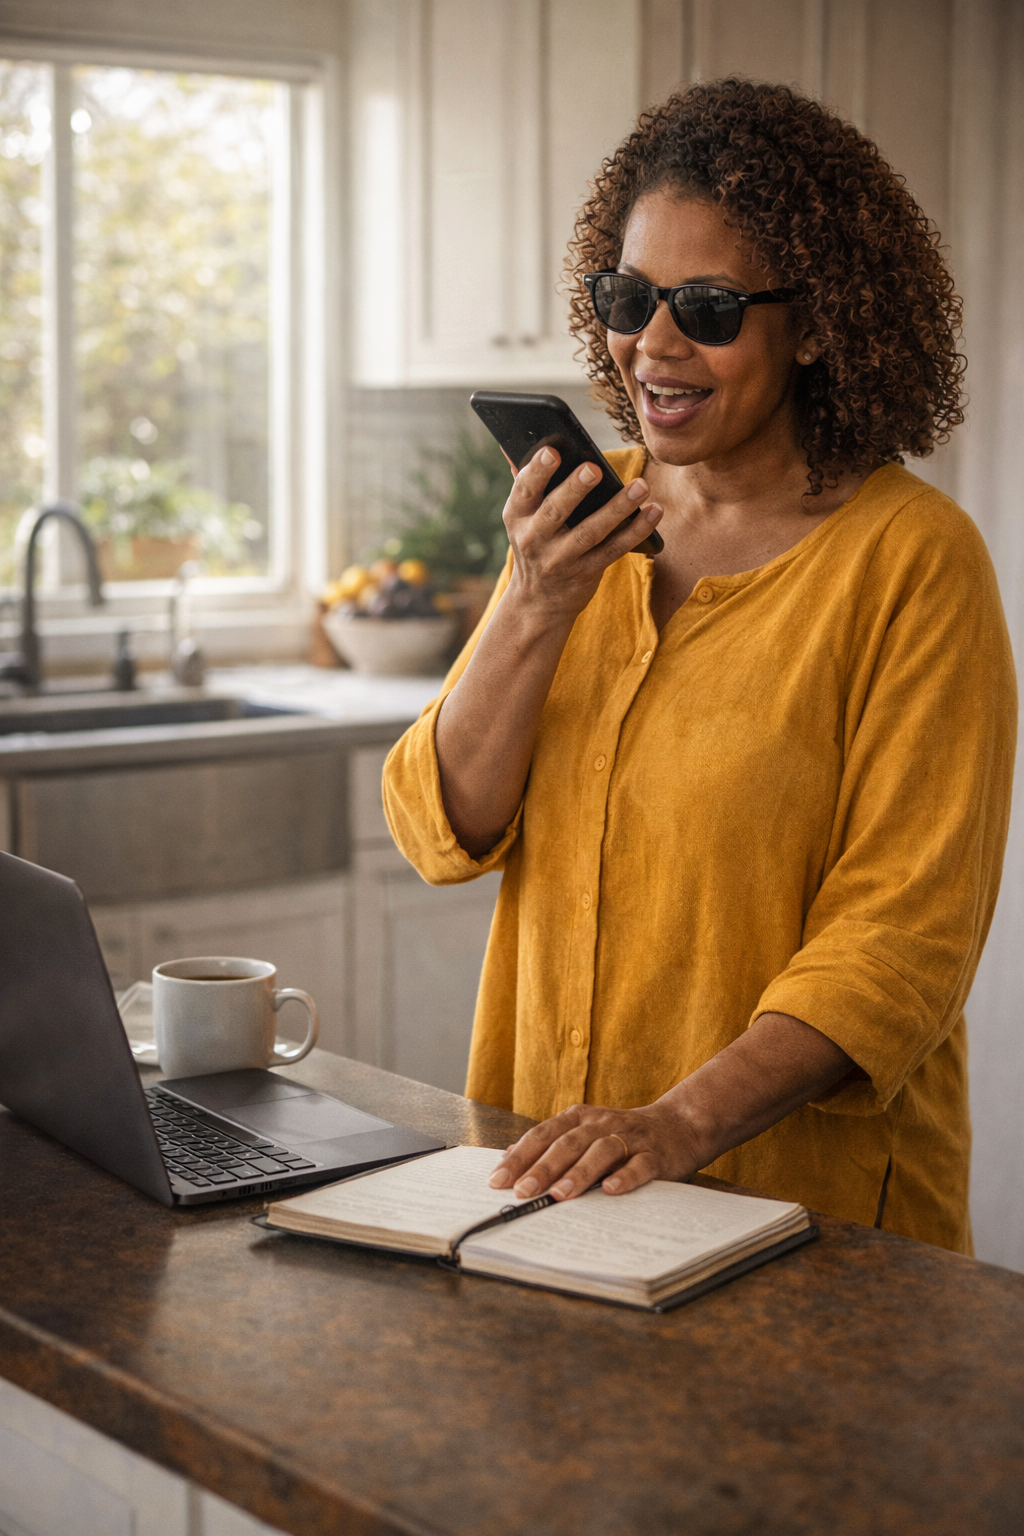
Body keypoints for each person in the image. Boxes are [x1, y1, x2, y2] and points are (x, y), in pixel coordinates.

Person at [382, 79, 1016, 1254]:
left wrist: (676, 1124)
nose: (650, 346)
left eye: (708, 308)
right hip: (549, 1192)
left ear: (816, 324)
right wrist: (535, 599)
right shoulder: (580, 518)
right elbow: (441, 830)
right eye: (626, 297)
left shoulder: (913, 564)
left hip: (807, 1228)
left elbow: (901, 945)